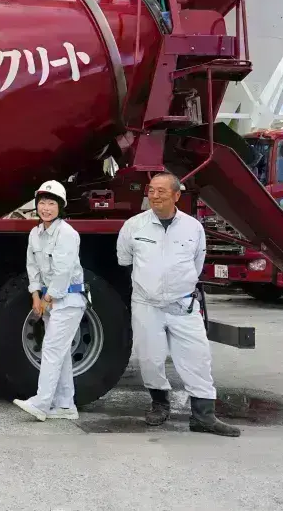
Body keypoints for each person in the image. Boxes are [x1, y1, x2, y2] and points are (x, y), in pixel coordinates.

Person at [116, 171, 241, 437]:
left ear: (176, 195)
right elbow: (125, 261)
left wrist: (177, 286)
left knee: (198, 358)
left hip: (183, 305)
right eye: (151, 190)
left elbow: (197, 263)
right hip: (146, 304)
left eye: (161, 191)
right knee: (150, 358)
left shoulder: (193, 228)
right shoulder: (133, 226)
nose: (155, 195)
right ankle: (160, 404)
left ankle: (203, 416)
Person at [12, 180, 86, 422]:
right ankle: (66, 405)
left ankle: (42, 403)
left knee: (52, 350)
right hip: (47, 299)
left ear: (60, 207)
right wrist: (35, 295)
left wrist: (47, 297)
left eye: (51, 203)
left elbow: (63, 271)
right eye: (42, 203)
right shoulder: (35, 233)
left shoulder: (67, 234)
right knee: (61, 353)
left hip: (68, 299)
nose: (46, 208)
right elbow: (32, 267)